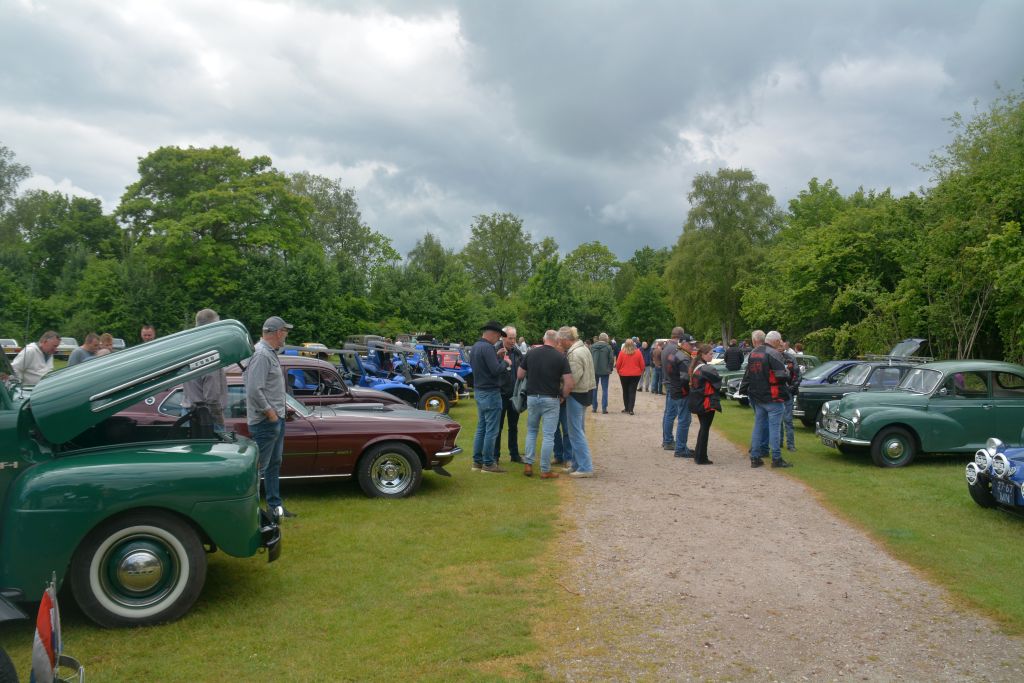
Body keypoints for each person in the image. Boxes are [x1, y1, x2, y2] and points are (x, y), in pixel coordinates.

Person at [246, 315, 296, 518]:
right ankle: (252, 513)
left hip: (275, 419)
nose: (286, 335)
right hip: (266, 421)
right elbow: (253, 389)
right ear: (277, 332)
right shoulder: (261, 355)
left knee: (274, 464)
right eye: (285, 331)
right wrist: (270, 412)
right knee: (259, 469)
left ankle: (275, 508)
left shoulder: (269, 353)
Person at [518, 329, 573, 478]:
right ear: (556, 341)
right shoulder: (560, 357)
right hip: (551, 399)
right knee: (548, 435)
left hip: (532, 398)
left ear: (543, 339)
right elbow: (569, 383)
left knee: (531, 431)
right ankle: (545, 469)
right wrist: (563, 396)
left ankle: (528, 465)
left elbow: (520, 374)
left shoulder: (531, 353)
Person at [739, 330, 791, 469]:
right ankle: (776, 458)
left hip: (756, 395)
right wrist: (787, 372)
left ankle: (755, 457)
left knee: (758, 426)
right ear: (775, 341)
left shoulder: (753, 353)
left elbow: (749, 375)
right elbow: (781, 376)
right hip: (772, 397)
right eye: (779, 341)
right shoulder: (774, 353)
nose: (781, 343)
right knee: (774, 427)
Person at [469, 320, 510, 473]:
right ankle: (488, 463)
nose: (498, 339)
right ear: (493, 333)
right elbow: (495, 370)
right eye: (499, 336)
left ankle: (477, 462)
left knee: (481, 427)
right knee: (491, 430)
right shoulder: (487, 348)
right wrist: (505, 362)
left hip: (479, 390)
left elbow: (485, 367)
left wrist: (497, 356)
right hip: (491, 392)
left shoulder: (476, 346)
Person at [183, 309, 229, 430]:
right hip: (206, 418)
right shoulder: (209, 351)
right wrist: (220, 421)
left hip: (189, 413)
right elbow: (212, 397)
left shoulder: (188, 347)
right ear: (211, 326)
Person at [561, 326, 596, 477]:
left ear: (566, 339)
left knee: (575, 432)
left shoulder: (574, 354)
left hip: (577, 394)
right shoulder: (583, 348)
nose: (559, 343)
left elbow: (572, 380)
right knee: (578, 430)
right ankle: (577, 464)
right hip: (586, 393)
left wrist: (563, 393)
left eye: (560, 340)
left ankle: (585, 467)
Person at [662, 328, 696, 458]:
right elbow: (685, 379)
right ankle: (681, 448)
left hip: (673, 388)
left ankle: (672, 442)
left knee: (671, 415)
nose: (693, 346)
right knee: (684, 420)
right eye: (690, 344)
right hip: (681, 392)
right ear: (683, 343)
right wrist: (689, 390)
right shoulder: (683, 357)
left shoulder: (674, 353)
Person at [494, 325, 525, 464]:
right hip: (499, 394)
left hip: (514, 395)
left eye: (514, 338)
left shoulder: (517, 353)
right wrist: (498, 357)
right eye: (510, 338)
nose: (513, 341)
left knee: (513, 426)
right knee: (497, 427)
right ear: (503, 337)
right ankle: (495, 455)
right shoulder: (495, 350)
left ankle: (514, 454)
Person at [687, 344, 722, 465]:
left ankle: (699, 455)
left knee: (703, 428)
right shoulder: (707, 369)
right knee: (704, 429)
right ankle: (701, 457)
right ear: (703, 355)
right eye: (710, 354)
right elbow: (717, 383)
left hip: (698, 401)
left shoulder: (695, 366)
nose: (712, 356)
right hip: (706, 403)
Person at [615, 338, 645, 415]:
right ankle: (631, 409)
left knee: (625, 391)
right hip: (635, 375)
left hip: (624, 375)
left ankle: (627, 408)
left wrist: (619, 371)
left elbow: (618, 364)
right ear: (633, 344)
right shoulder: (638, 352)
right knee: (632, 391)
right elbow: (642, 364)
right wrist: (641, 371)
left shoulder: (622, 353)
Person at [589, 332, 615, 414]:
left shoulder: (592, 347)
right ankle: (604, 408)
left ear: (599, 338)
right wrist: (610, 369)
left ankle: (594, 407)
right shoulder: (608, 347)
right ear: (606, 339)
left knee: (594, 389)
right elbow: (611, 359)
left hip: (594, 370)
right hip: (605, 371)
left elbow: (589, 358)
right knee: (605, 390)